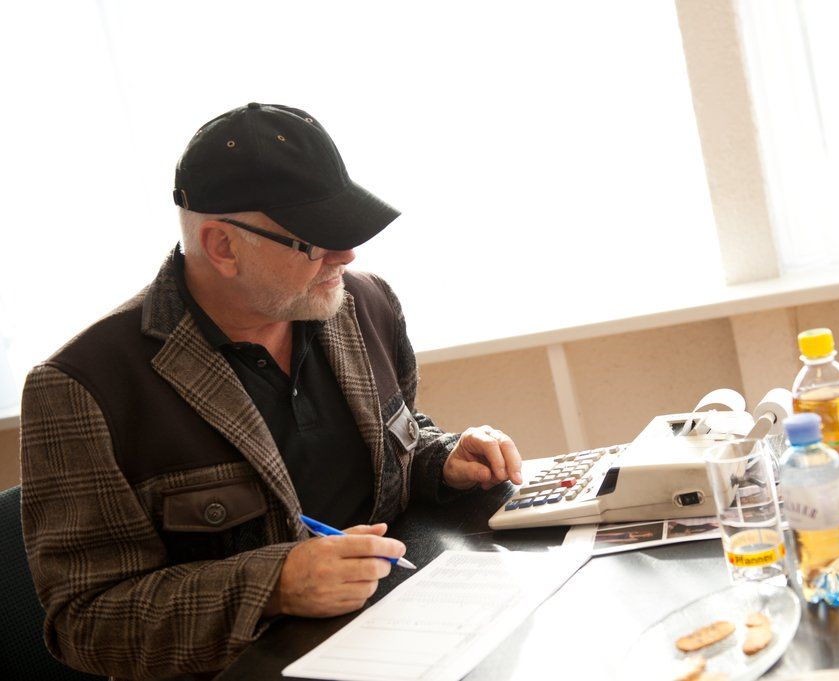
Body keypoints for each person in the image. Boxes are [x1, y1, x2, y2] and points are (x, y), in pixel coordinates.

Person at [19, 102, 522, 680]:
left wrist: (443, 460)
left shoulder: (365, 304)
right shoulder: (82, 387)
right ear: (223, 246)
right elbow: (86, 622)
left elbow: (398, 443)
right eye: (316, 239)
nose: (346, 255)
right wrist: (275, 586)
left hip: (409, 635)